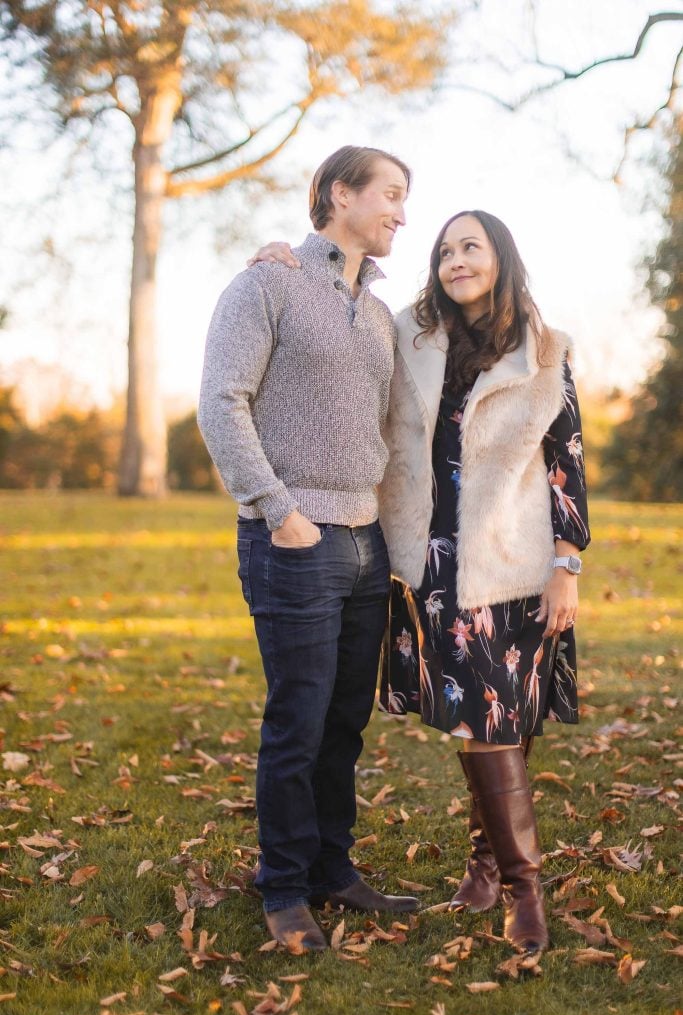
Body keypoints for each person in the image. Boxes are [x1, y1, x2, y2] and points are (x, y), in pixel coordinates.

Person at [250, 210, 589, 956]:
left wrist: (568, 564)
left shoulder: (543, 348)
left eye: (470, 247)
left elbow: (566, 459)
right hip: (436, 565)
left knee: (505, 721)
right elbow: (334, 319)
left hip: (520, 561)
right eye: (443, 250)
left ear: (500, 256)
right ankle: (513, 880)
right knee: (478, 720)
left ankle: (497, 874)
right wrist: (286, 262)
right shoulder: (407, 334)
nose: (454, 259)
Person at [197, 146, 419, 953]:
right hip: (293, 538)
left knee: (343, 722)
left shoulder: (378, 311)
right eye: (390, 194)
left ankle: (332, 869)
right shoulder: (267, 282)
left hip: (365, 543)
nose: (402, 211)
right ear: (337, 194)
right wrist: (277, 509)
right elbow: (222, 401)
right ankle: (283, 888)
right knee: (297, 720)